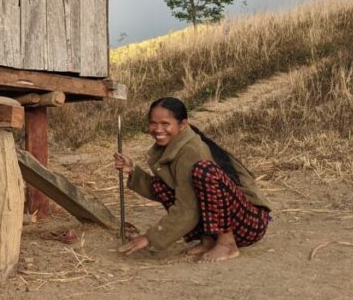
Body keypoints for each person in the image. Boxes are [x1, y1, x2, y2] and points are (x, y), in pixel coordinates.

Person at [113, 97, 272, 262]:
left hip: (249, 223)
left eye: (165, 124)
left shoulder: (192, 150)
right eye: (153, 123)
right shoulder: (170, 146)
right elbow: (170, 191)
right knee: (162, 185)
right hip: (231, 219)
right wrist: (132, 171)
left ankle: (227, 243)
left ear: (182, 125)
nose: (158, 129)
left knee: (204, 172)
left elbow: (187, 208)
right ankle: (209, 240)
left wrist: (150, 237)